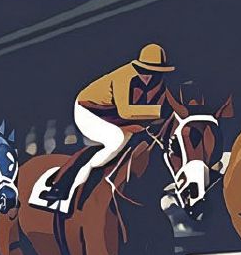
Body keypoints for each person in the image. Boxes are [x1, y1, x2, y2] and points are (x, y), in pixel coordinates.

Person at [37, 44, 175, 206]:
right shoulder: (124, 76)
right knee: (116, 139)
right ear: (138, 66)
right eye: (146, 71)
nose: (150, 77)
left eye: (156, 73)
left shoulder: (158, 84)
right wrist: (161, 111)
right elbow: (126, 111)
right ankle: (79, 176)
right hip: (89, 111)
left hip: (115, 114)